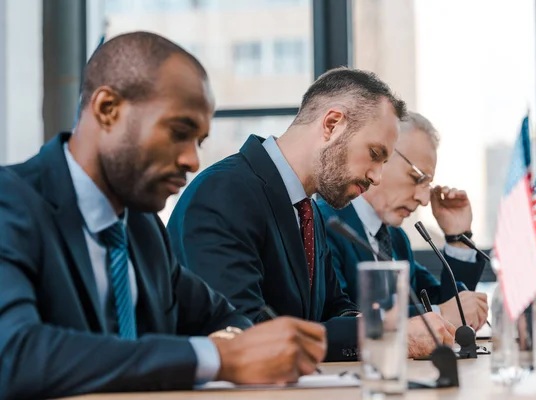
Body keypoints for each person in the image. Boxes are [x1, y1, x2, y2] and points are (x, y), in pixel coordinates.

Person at [0, 32, 326, 400]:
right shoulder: (10, 203)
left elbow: (226, 318)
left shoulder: (141, 229)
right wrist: (217, 358)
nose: (192, 160)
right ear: (108, 108)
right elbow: (14, 355)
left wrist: (233, 347)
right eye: (179, 132)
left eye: (198, 142)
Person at [167, 67, 456, 361]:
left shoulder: (306, 209)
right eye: (374, 154)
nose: (377, 176)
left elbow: (336, 306)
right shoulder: (224, 192)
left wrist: (370, 327)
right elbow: (244, 332)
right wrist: (382, 333)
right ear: (332, 124)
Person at [318, 112, 489, 332]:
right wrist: (439, 314)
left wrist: (457, 237)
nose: (425, 199)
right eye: (418, 178)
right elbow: (338, 322)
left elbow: (453, 308)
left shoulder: (396, 239)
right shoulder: (324, 225)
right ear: (379, 156)